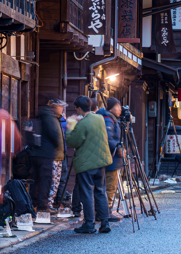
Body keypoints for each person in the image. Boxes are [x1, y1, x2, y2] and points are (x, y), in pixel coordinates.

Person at [64, 96, 113, 234]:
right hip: (101, 160)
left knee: (87, 192)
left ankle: (89, 223)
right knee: (100, 191)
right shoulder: (99, 118)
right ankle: (105, 222)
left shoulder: (82, 124)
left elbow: (73, 141)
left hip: (87, 163)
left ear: (79, 108)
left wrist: (70, 125)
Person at [30, 94, 65, 212]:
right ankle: (43, 206)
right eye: (60, 106)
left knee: (37, 179)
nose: (62, 108)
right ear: (54, 106)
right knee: (46, 179)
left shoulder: (40, 115)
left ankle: (34, 203)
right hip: (46, 154)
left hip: (36, 152)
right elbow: (54, 134)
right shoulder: (49, 117)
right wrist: (55, 146)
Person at [96, 98, 125, 222]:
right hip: (112, 158)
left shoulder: (108, 118)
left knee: (105, 186)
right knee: (109, 186)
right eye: (118, 107)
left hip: (107, 157)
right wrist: (119, 148)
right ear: (112, 108)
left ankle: (102, 211)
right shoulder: (109, 119)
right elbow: (109, 138)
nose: (120, 109)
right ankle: (105, 212)